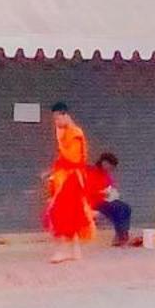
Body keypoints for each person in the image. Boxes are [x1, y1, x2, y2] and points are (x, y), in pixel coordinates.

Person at [43, 102, 96, 263]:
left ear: (65, 115)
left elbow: (73, 158)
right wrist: (52, 171)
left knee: (61, 213)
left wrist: (58, 169)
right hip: (67, 177)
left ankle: (62, 250)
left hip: (70, 179)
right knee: (73, 213)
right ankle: (75, 250)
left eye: (58, 118)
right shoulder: (67, 132)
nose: (56, 122)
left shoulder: (74, 133)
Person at [91, 152, 134, 247]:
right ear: (104, 163)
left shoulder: (106, 174)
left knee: (126, 207)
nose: (111, 170)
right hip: (95, 201)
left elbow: (110, 186)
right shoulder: (92, 173)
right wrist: (102, 193)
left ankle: (122, 234)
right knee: (118, 209)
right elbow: (88, 190)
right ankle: (121, 236)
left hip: (106, 200)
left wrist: (112, 193)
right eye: (110, 167)